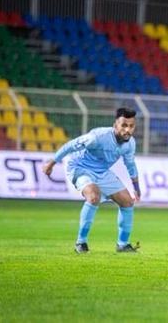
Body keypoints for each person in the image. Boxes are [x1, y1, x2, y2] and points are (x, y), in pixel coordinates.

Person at [42, 107, 141, 253]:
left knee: (127, 201)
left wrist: (136, 187)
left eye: (131, 126)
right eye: (124, 125)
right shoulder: (98, 137)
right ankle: (80, 243)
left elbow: (130, 165)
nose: (127, 130)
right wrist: (52, 162)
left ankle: (123, 244)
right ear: (115, 125)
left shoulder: (130, 143)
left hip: (102, 172)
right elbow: (71, 145)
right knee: (94, 196)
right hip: (80, 167)